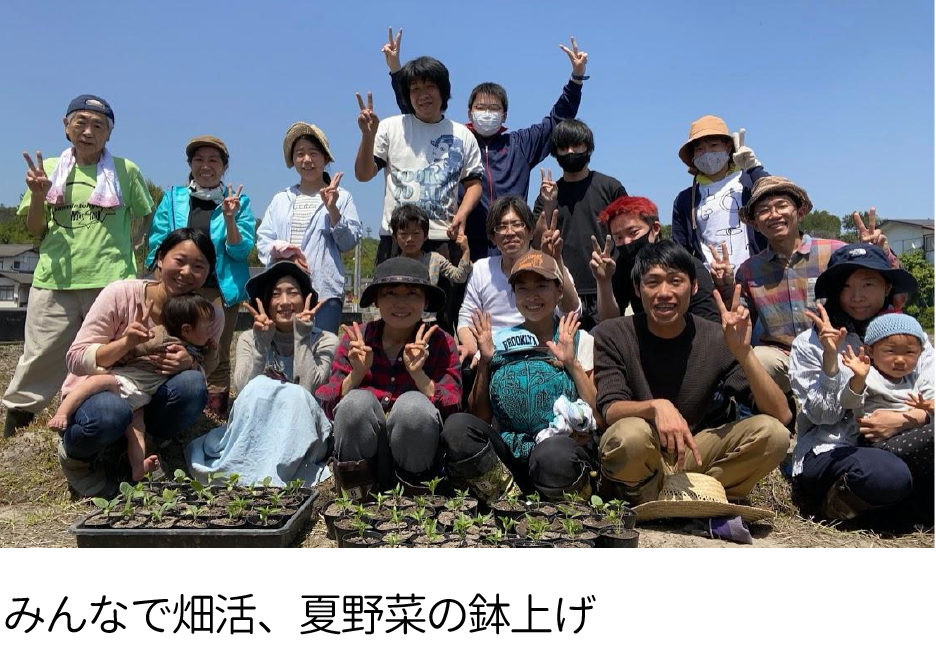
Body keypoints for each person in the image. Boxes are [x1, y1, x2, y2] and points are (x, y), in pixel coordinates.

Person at [593, 240, 791, 505]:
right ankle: (649, 499)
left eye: (676, 281)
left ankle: (700, 495)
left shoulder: (717, 338)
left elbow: (781, 415)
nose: (664, 293)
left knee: (774, 435)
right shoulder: (613, 334)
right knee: (630, 435)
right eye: (652, 282)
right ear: (637, 289)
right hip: (641, 454)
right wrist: (656, 407)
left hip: (692, 454)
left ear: (694, 286)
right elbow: (609, 409)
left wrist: (744, 353)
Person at [3, 94, 155, 437]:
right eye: (81, 122)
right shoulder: (49, 168)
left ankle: (106, 423)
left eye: (98, 125)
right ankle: (18, 425)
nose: (88, 131)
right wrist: (38, 194)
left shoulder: (126, 171)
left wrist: (133, 253)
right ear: (66, 126)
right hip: (54, 280)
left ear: (109, 133)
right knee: (39, 356)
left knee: (115, 355)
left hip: (111, 283)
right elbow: (34, 228)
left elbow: (145, 216)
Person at [382, 28, 589, 260]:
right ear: (469, 113)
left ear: (504, 115)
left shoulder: (521, 144)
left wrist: (576, 79)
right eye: (481, 108)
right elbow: (416, 112)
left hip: (513, 241)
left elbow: (557, 120)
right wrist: (396, 71)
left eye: (494, 108)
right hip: (466, 243)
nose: (487, 113)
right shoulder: (456, 140)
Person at [59, 229, 224, 496]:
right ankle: (76, 458)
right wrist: (125, 343)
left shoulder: (209, 315)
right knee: (111, 413)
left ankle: (149, 445)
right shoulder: (121, 294)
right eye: (179, 261)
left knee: (193, 384)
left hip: (149, 399)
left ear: (208, 272)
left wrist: (191, 364)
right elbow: (76, 358)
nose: (186, 272)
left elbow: (208, 366)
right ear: (160, 258)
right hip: (107, 390)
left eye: (198, 266)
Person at [789, 243, 933, 521]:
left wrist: (908, 419)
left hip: (906, 439)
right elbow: (823, 416)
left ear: (887, 287)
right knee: (886, 474)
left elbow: (932, 388)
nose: (857, 296)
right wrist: (830, 360)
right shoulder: (810, 343)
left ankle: (898, 507)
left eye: (868, 284)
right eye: (846, 287)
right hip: (836, 448)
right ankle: (840, 505)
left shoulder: (911, 335)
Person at [442, 250, 599, 502]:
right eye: (522, 288)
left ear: (559, 291)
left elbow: (597, 413)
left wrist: (572, 363)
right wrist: (485, 363)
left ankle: (562, 504)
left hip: (558, 451)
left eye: (541, 286)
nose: (532, 296)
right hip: (508, 455)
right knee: (457, 427)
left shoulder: (579, 339)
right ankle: (506, 499)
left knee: (551, 455)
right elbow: (480, 415)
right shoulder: (497, 342)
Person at [735, 176, 900, 392]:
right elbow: (738, 319)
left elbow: (895, 295)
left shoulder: (835, 251)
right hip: (783, 357)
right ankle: (783, 408)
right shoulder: (749, 270)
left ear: (800, 212)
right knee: (759, 359)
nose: (774, 215)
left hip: (836, 350)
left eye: (781, 206)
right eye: (764, 210)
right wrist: (724, 285)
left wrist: (882, 254)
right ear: (755, 224)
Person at [316, 258, 461, 500]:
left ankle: (415, 497)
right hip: (367, 458)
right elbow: (329, 404)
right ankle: (357, 496)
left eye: (412, 293)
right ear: (377, 300)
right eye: (390, 293)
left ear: (425, 301)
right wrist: (357, 374)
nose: (401, 303)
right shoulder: (357, 340)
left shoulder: (441, 342)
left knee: (413, 405)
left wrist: (419, 375)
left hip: (416, 455)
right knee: (355, 403)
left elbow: (453, 406)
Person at [186, 260, 339, 487]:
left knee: (294, 395)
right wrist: (262, 343)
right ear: (266, 302)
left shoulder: (326, 341)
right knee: (259, 387)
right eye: (276, 294)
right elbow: (245, 392)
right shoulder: (249, 339)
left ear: (306, 299)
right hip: (257, 432)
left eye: (293, 293)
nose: (284, 302)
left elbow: (308, 392)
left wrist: (302, 336)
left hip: (305, 436)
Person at [49, 293, 215, 480]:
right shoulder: (161, 336)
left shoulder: (195, 348)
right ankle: (63, 413)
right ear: (186, 329)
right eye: (208, 326)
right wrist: (130, 345)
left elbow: (210, 365)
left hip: (142, 396)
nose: (212, 330)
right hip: (126, 381)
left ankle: (138, 468)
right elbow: (136, 349)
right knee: (96, 382)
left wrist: (209, 352)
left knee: (137, 433)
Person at [146, 136, 255, 418]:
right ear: (190, 164)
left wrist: (230, 218)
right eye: (199, 159)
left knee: (216, 350)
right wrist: (158, 277)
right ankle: (170, 406)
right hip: (179, 287)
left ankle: (213, 416)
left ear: (225, 166)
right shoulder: (173, 198)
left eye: (213, 160)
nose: (206, 166)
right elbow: (158, 241)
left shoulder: (239, 202)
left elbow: (241, 250)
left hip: (220, 289)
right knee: (169, 343)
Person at [354, 56, 483, 264]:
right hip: (397, 238)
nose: (423, 95)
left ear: (443, 90)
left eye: (430, 86)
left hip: (443, 239)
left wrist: (462, 213)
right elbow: (363, 174)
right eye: (414, 89)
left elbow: (474, 184)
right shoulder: (390, 127)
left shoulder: (462, 134)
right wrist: (367, 136)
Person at [256, 122, 362, 335]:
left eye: (313, 153)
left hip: (323, 292)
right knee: (284, 350)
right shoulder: (280, 199)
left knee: (322, 350)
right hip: (284, 292)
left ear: (325, 158)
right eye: (300, 153)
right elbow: (263, 242)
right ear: (293, 160)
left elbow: (349, 242)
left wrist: (333, 210)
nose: (307, 159)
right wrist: (288, 255)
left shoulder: (342, 197)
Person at [456, 196, 580, 363]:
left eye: (517, 224)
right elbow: (466, 319)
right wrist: (475, 351)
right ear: (493, 237)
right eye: (501, 227)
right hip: (493, 356)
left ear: (531, 231)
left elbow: (572, 313)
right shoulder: (481, 269)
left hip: (544, 355)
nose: (510, 232)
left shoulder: (549, 263)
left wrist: (556, 260)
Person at [533, 119, 627, 330]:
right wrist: (548, 204)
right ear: (555, 152)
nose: (570, 152)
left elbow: (627, 234)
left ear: (588, 147)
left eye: (576, 145)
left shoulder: (610, 187)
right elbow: (537, 243)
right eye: (563, 147)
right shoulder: (547, 194)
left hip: (606, 286)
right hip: (563, 288)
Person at [590, 195, 722, 322]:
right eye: (619, 237)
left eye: (633, 232)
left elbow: (709, 324)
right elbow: (609, 321)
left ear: (655, 228)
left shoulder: (687, 266)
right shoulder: (622, 266)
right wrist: (604, 281)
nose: (626, 242)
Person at [671, 115, 769, 272]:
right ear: (693, 156)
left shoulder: (748, 181)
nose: (707, 153)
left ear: (728, 147)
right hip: (710, 281)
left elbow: (776, 197)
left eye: (714, 145)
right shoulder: (685, 199)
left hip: (758, 276)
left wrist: (754, 169)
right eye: (699, 149)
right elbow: (681, 249)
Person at [390, 203, 471, 328]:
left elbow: (459, 277)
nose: (410, 239)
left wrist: (465, 251)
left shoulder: (435, 259)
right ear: (395, 237)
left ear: (426, 235)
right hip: (400, 322)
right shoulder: (391, 266)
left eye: (416, 233)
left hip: (427, 322)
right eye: (404, 234)